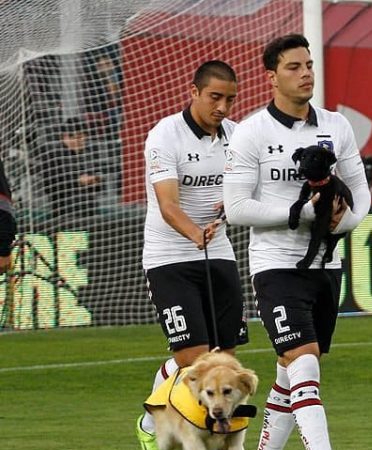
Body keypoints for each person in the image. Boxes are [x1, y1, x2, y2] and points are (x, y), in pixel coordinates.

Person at [223, 34, 370, 450]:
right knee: (304, 361)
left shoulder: (336, 125)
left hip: (327, 267)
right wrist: (306, 215)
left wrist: (341, 225)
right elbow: (235, 208)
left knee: (292, 371)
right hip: (276, 266)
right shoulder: (251, 132)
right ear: (270, 76)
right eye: (294, 67)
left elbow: (362, 191)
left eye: (309, 65)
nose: (306, 74)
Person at [135, 60, 245, 449]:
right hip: (170, 258)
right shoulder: (165, 135)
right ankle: (152, 426)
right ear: (194, 91)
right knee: (194, 361)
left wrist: (229, 212)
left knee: (223, 364)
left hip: (218, 254)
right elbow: (168, 205)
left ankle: (209, 435)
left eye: (230, 99)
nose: (223, 107)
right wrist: (195, 233)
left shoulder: (236, 136)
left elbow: (244, 192)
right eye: (215, 97)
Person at [40, 117, 101, 232]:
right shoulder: (53, 156)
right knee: (71, 248)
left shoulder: (89, 154)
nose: (79, 140)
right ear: (64, 137)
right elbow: (49, 186)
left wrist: (95, 180)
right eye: (74, 137)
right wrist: (77, 181)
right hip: (66, 213)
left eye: (82, 136)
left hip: (90, 211)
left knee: (92, 247)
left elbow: (99, 184)